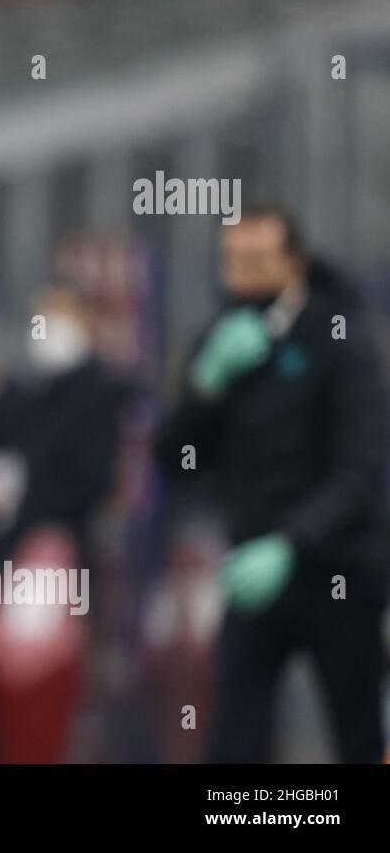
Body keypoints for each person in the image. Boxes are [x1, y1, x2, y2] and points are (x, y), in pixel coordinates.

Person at [153, 205, 389, 763]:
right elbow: (173, 458)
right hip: (251, 574)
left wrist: (290, 542)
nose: (244, 278)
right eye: (233, 263)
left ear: (295, 264)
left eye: (259, 262)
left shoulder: (342, 335)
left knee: (355, 732)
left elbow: (361, 468)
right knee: (233, 740)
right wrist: (205, 386)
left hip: (340, 568)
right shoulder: (220, 337)